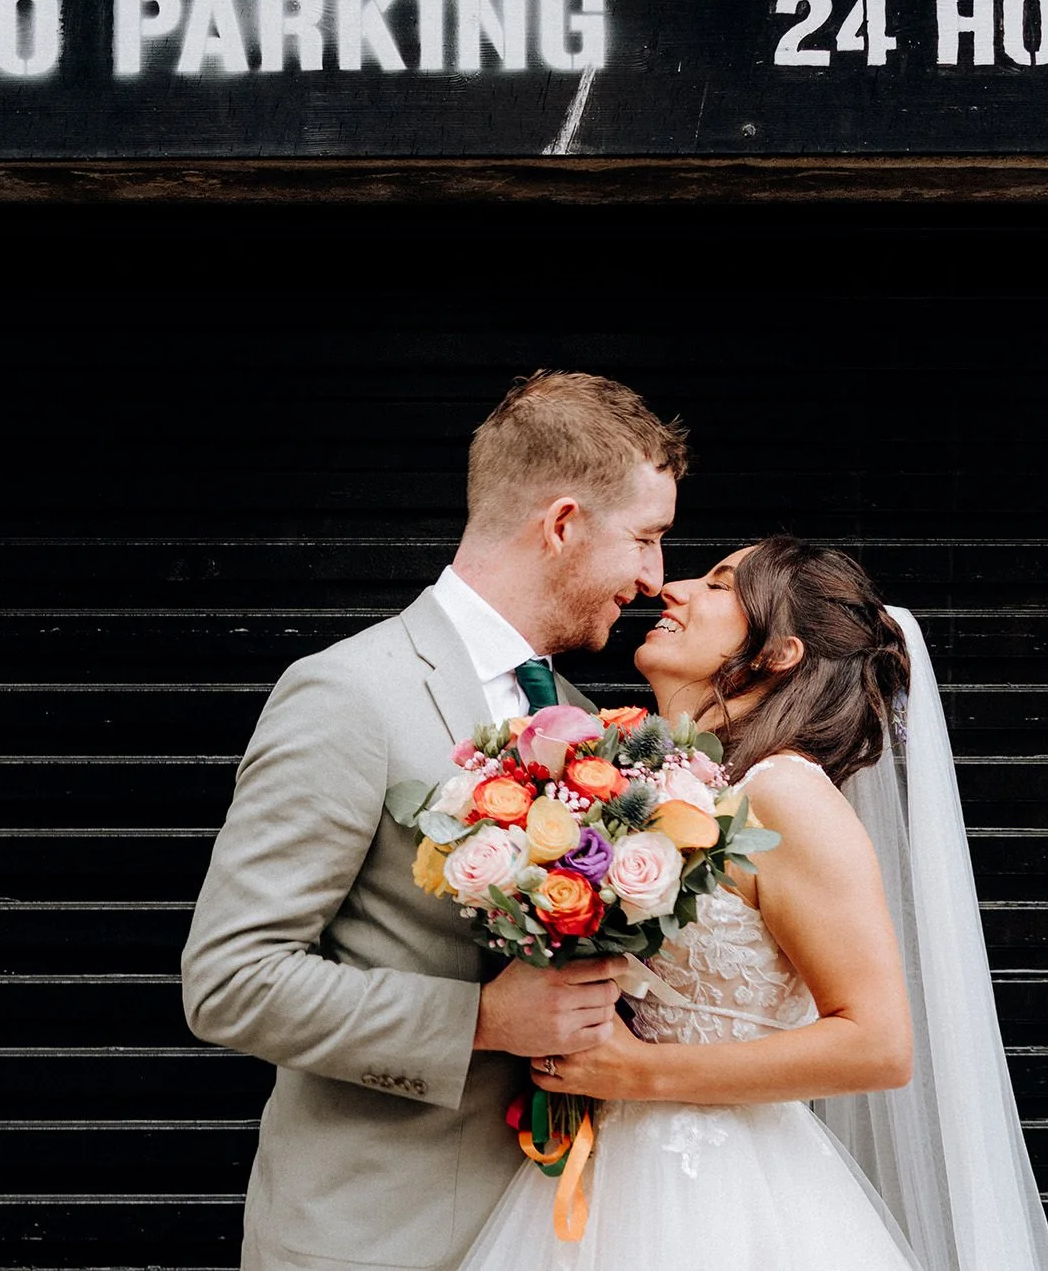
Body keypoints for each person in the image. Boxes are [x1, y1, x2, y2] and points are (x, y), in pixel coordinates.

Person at [180, 371, 688, 1271]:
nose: (653, 578)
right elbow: (230, 979)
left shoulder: (583, 718)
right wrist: (480, 1019)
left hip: (554, 1233)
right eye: (645, 539)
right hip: (378, 1240)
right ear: (562, 524)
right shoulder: (349, 693)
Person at [455, 537, 1048, 1271]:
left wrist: (638, 1073)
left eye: (719, 584)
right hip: (603, 1171)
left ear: (778, 654)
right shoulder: (673, 788)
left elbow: (878, 1044)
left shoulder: (785, 794)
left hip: (724, 1195)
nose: (672, 588)